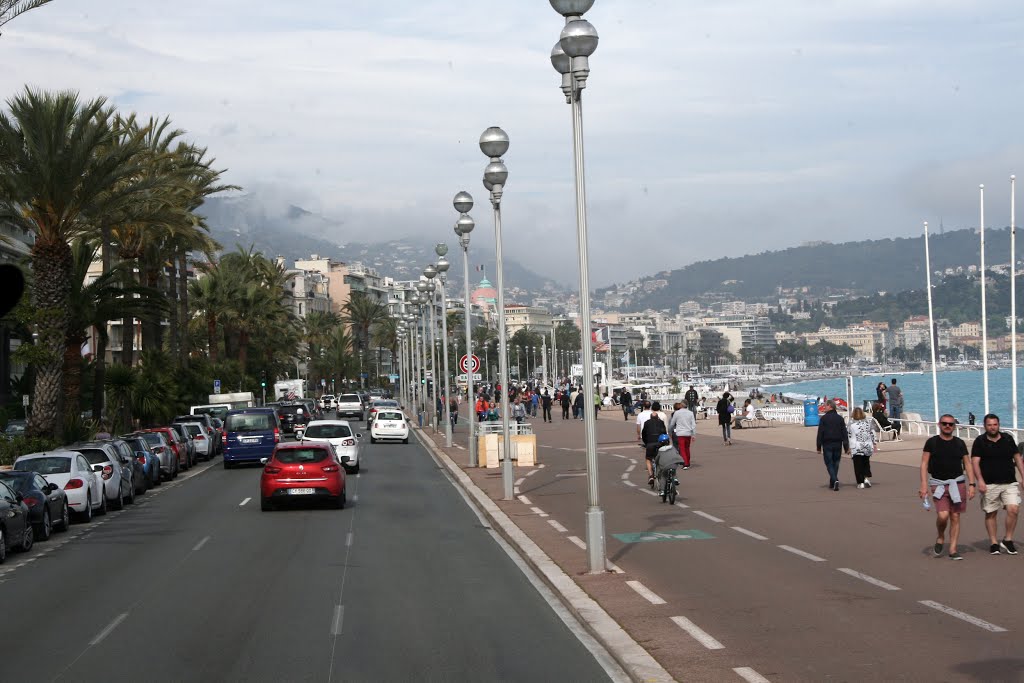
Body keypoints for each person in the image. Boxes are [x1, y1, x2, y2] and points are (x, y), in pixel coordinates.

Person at [921, 413, 976, 560]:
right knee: (943, 516)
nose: (947, 426)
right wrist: (924, 485)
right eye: (944, 423)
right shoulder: (931, 442)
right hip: (938, 484)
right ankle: (940, 536)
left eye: (950, 424)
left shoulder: (959, 443)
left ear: (954, 426)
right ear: (939, 424)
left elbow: (968, 464)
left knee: (955, 517)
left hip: (957, 484)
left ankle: (952, 549)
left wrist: (972, 484)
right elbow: (924, 464)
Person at [970, 414, 1024, 555]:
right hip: (989, 484)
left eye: (995, 424)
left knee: (1014, 509)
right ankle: (994, 542)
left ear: (999, 425)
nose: (993, 427)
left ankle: (1008, 539)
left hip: (1009, 481)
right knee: (991, 513)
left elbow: (1018, 459)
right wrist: (980, 481)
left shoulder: (1007, 439)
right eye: (989, 425)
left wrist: (1023, 477)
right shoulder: (980, 441)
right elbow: (975, 463)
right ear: (984, 426)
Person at [816, 400, 849, 491]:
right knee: (836, 463)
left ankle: (834, 480)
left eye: (825, 406)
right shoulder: (840, 418)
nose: (824, 407)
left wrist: (818, 447)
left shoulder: (823, 419)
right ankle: (832, 482)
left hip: (827, 444)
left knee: (829, 463)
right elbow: (844, 434)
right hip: (838, 443)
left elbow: (820, 433)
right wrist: (846, 447)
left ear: (830, 406)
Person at [848, 406, 876, 488]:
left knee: (858, 465)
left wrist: (848, 447)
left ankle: (860, 482)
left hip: (856, 446)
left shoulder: (851, 423)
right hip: (867, 446)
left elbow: (849, 435)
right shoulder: (868, 423)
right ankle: (866, 478)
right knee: (866, 462)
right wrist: (874, 443)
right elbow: (872, 433)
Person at [641, 405, 669, 486]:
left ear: (650, 417)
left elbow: (644, 434)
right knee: (661, 457)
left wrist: (646, 443)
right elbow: (664, 432)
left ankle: (651, 476)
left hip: (650, 444)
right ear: (657, 417)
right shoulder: (661, 422)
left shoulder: (646, 423)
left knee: (648, 459)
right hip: (660, 443)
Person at [668, 401, 697, 469]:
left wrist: (669, 431)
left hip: (680, 433)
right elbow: (693, 424)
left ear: (681, 405)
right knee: (687, 448)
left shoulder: (677, 413)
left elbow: (672, 423)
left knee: (682, 448)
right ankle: (688, 462)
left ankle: (685, 463)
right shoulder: (690, 413)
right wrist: (693, 434)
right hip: (688, 433)